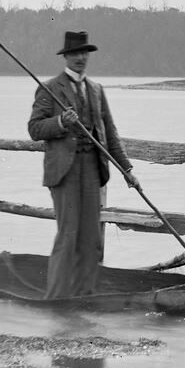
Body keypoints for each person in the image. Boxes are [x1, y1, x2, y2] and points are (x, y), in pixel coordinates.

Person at [27, 30, 139, 298]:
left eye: (84, 53)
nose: (80, 58)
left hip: (92, 170)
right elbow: (35, 128)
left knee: (92, 239)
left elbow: (110, 133)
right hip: (64, 172)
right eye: (75, 53)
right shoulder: (50, 88)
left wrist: (127, 170)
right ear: (66, 57)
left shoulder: (97, 90)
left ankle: (85, 296)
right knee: (68, 236)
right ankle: (56, 299)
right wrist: (61, 122)